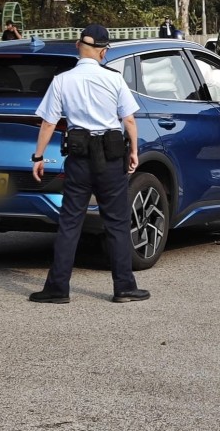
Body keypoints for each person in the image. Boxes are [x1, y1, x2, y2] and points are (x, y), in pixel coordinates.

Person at [28, 24, 149, 304]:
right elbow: (128, 119)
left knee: (70, 223)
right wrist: (134, 151)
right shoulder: (114, 79)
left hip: (79, 158)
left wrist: (38, 157)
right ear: (103, 52)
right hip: (110, 157)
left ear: (77, 47)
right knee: (117, 223)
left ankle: (58, 289)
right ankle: (124, 288)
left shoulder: (62, 80)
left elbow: (48, 122)